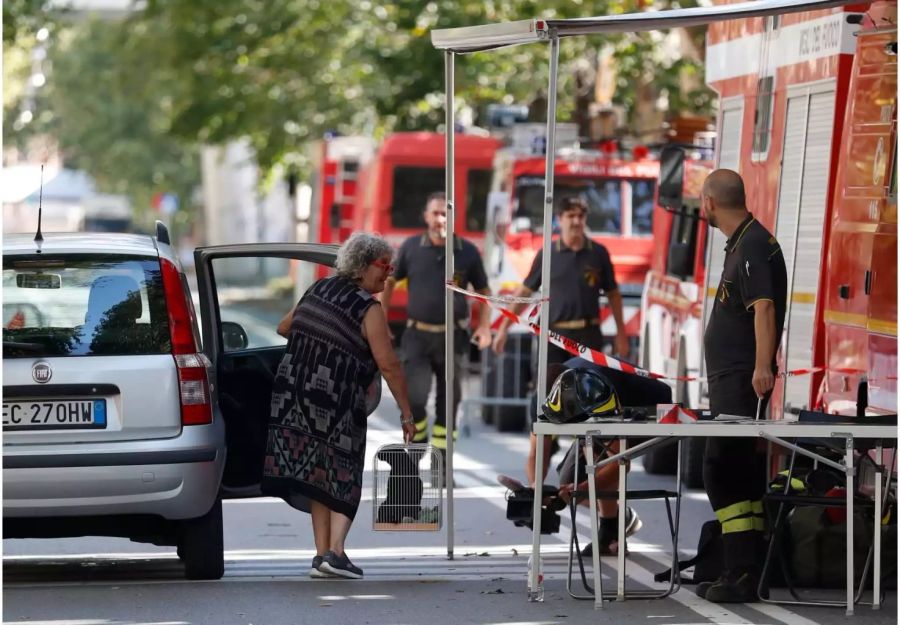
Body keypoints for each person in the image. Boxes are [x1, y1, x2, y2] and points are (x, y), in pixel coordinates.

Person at [262, 232, 417, 580]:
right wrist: (407, 413)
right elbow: (389, 363)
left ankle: (321, 556)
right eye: (384, 266)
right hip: (335, 398)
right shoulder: (367, 307)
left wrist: (320, 340)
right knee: (343, 471)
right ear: (362, 267)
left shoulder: (317, 289)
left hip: (293, 395)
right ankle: (337, 551)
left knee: (318, 472)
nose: (389, 274)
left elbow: (284, 326)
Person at [697, 169, 787, 603]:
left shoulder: (751, 244)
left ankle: (740, 570)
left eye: (702, 200)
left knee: (721, 472)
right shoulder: (743, 242)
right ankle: (747, 568)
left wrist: (761, 367)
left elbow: (764, 309)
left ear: (711, 202)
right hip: (731, 379)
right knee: (741, 474)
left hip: (741, 380)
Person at [510, 358, 672, 556]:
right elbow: (537, 452)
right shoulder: (541, 400)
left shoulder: (595, 391)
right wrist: (535, 487)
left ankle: (609, 530)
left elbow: (618, 465)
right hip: (593, 416)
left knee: (595, 460)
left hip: (651, 408)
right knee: (568, 480)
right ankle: (621, 516)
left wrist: (580, 491)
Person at [381, 191, 493, 456]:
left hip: (453, 338)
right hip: (417, 337)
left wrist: (485, 326)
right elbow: (388, 282)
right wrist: (381, 318)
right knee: (415, 400)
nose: (440, 219)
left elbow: (485, 291)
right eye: (435, 213)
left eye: (446, 213)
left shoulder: (467, 252)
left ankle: (442, 465)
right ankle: (417, 448)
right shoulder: (410, 248)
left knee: (449, 404)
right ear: (426, 216)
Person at [493, 195, 630, 366]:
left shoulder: (598, 253)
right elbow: (524, 292)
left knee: (587, 389)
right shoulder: (548, 254)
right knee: (551, 389)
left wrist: (621, 333)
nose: (576, 221)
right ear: (560, 219)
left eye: (580, 216)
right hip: (554, 338)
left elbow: (614, 295)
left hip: (589, 337)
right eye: (570, 216)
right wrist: (503, 329)